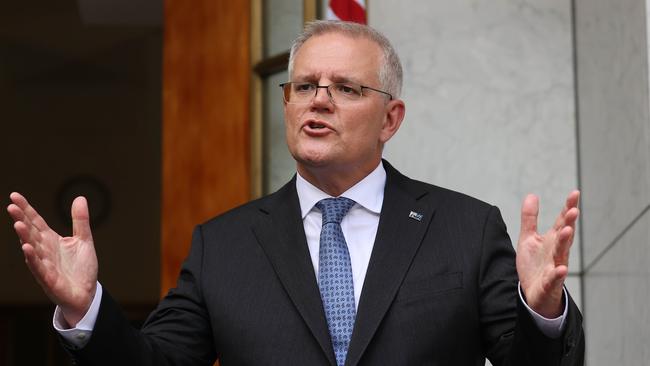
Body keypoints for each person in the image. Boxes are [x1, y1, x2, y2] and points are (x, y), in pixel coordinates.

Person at [6, 20, 584, 366]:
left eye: (347, 88)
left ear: (391, 119)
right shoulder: (223, 246)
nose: (319, 99)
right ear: (286, 104)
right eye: (304, 85)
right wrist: (85, 310)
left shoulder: (465, 228)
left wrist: (541, 311)